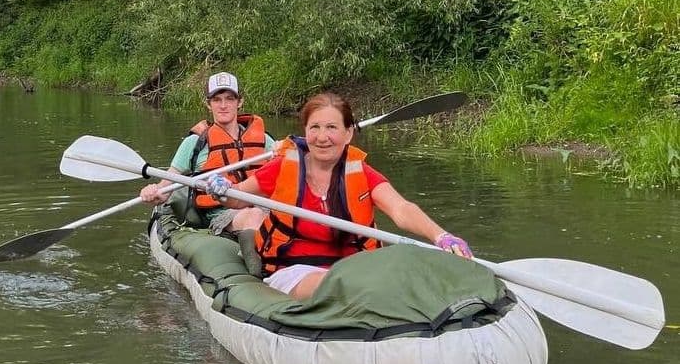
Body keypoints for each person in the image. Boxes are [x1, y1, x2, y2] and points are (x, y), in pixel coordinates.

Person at [203, 91, 473, 300]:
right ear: (305, 132)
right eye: (315, 128)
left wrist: (440, 235)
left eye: (332, 128)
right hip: (294, 269)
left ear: (348, 133)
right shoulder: (283, 167)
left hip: (354, 267)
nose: (322, 137)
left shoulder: (362, 173)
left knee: (366, 278)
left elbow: (401, 209)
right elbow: (239, 198)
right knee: (334, 283)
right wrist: (222, 191)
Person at [139, 71, 275, 230]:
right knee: (253, 216)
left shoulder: (265, 140)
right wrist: (152, 192)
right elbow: (164, 191)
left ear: (240, 102)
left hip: (264, 206)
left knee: (267, 215)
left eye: (229, 99)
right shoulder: (194, 143)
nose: (223, 105)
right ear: (208, 104)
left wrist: (287, 151)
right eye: (217, 99)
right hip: (223, 214)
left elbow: (292, 172)